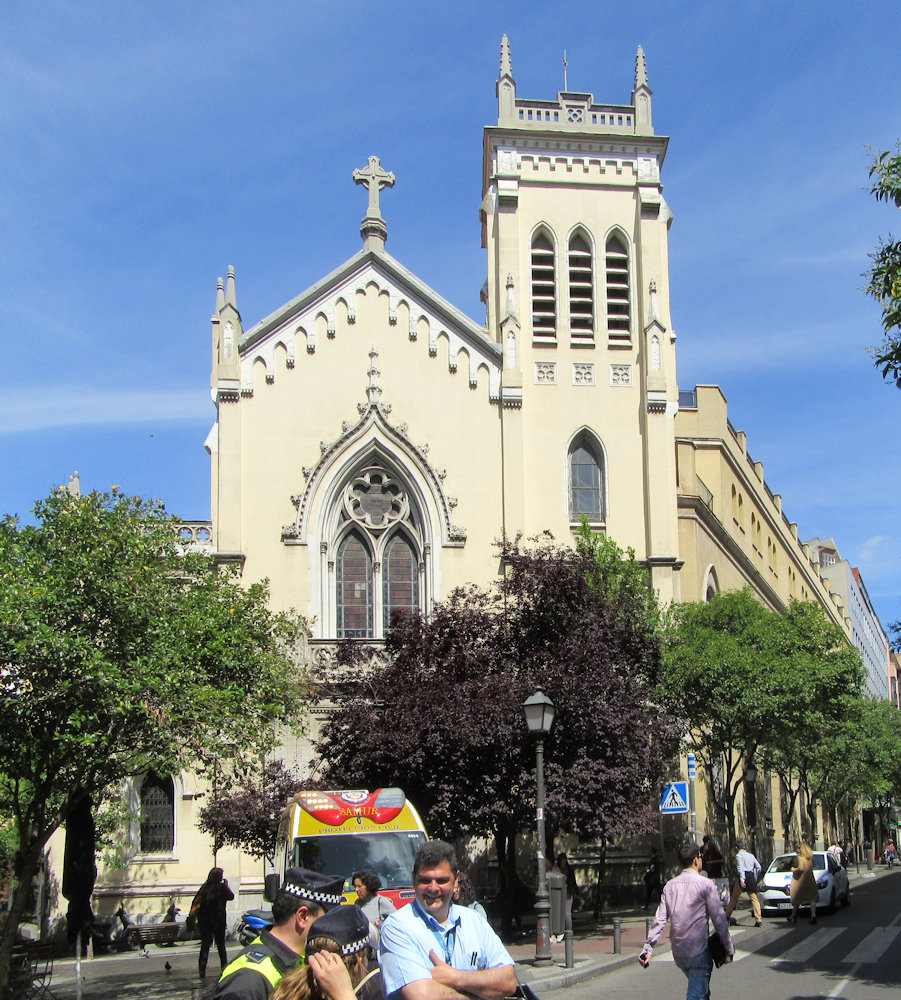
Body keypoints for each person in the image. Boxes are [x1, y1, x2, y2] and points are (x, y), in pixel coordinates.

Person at [378, 839, 516, 1000]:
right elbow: (422, 996)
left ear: (456, 879)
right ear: (413, 877)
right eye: (425, 880)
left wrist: (454, 977)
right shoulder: (397, 927)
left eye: (442, 880)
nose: (433, 888)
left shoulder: (474, 920)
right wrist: (480, 991)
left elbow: (508, 981)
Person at [214, 867, 345, 999]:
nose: (333, 928)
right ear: (303, 916)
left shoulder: (301, 960)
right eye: (328, 919)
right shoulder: (248, 980)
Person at [639, 842, 733, 1000]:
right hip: (698, 952)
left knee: (701, 990)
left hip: (679, 954)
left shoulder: (670, 886)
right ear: (696, 860)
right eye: (701, 856)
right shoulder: (706, 885)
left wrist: (648, 948)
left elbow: (659, 920)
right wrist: (728, 949)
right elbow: (719, 920)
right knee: (696, 995)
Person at [271, 905, 385, 1000]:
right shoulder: (376, 992)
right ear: (357, 963)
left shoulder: (286, 991)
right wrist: (344, 995)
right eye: (368, 955)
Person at [196, 867, 236, 978]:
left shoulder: (205, 887)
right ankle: (224, 968)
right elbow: (231, 896)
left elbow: (196, 900)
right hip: (218, 921)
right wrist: (226, 885)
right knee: (221, 946)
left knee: (205, 946)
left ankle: (202, 970)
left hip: (204, 921)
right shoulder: (222, 887)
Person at [353, 871, 397, 948]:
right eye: (355, 886)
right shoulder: (357, 903)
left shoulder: (381, 901)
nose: (356, 890)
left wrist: (380, 925)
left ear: (369, 886)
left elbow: (396, 924)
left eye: (359, 886)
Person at [724, 841, 762, 927]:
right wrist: (754, 876)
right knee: (754, 898)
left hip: (743, 877)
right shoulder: (751, 855)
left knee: (734, 897)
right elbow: (759, 867)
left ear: (736, 848)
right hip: (751, 876)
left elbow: (740, 868)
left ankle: (727, 915)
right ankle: (758, 919)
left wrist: (742, 880)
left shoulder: (738, 856)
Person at [789, 843, 818, 926]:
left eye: (797, 849)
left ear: (800, 849)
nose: (796, 850)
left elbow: (801, 868)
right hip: (810, 880)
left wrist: (794, 869)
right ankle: (813, 915)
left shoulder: (800, 858)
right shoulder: (808, 858)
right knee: (812, 898)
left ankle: (793, 916)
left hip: (802, 881)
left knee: (797, 898)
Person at [555, 853, 577, 938]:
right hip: (558, 893)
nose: (563, 861)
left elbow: (573, 881)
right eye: (562, 859)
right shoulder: (556, 869)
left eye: (564, 859)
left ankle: (569, 931)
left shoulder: (569, 870)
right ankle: (560, 931)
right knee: (559, 913)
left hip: (568, 893)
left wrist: (576, 892)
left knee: (567, 913)